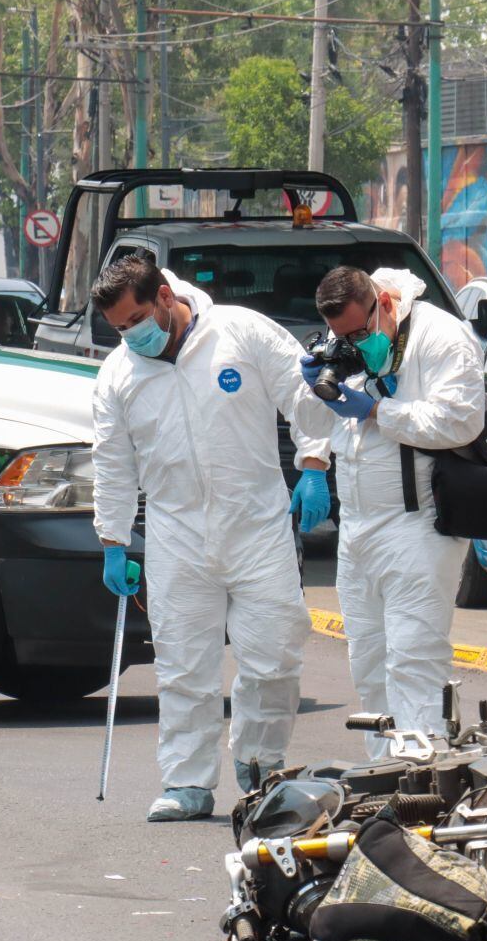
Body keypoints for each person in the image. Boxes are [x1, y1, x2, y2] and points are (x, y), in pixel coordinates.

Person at [89, 256, 332, 821]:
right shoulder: (119, 375)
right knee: (182, 665)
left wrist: (315, 462)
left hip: (257, 526)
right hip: (177, 534)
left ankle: (261, 765)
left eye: (138, 320)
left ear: (167, 296)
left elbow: (305, 394)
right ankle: (187, 782)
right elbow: (112, 461)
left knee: (274, 654)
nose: (132, 336)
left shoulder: (239, 332)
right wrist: (113, 539)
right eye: (120, 329)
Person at [297, 267, 484, 753]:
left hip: (417, 525)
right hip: (358, 528)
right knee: (369, 663)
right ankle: (386, 777)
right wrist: (314, 386)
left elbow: (461, 420)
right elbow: (317, 420)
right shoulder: (354, 345)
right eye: (343, 337)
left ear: (384, 302)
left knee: (413, 659)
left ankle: (423, 779)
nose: (354, 344)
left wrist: (377, 411)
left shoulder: (440, 337)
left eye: (359, 333)